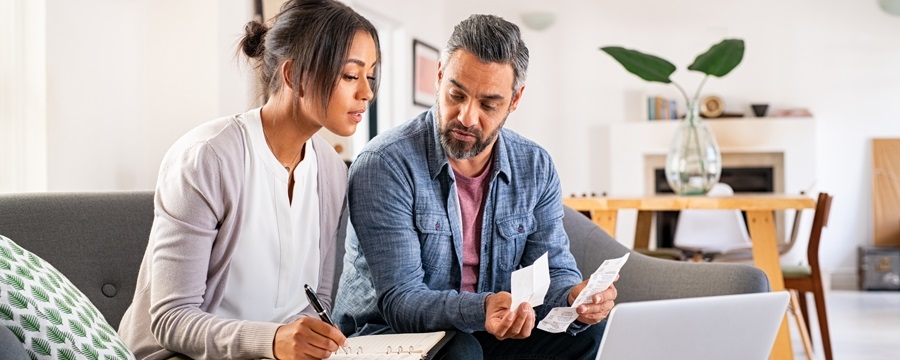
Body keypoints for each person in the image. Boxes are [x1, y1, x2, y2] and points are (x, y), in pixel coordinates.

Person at [333, 14, 615, 360]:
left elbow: (553, 268)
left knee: (591, 334)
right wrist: (483, 309)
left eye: (488, 104)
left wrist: (575, 298)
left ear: (514, 100)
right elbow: (401, 301)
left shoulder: (535, 166)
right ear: (439, 78)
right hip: (385, 336)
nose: (466, 117)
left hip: (485, 329)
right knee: (460, 350)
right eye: (456, 95)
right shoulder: (385, 163)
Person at [117, 0, 380, 358]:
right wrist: (273, 341)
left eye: (371, 76)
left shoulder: (332, 172)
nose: (366, 92)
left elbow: (315, 300)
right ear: (294, 75)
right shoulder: (206, 159)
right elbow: (171, 319)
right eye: (351, 75)